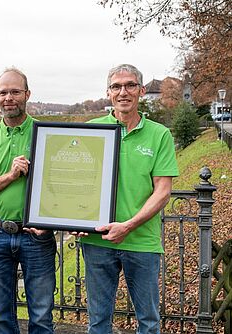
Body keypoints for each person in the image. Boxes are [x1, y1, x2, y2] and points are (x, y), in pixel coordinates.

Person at [81, 64, 179, 334]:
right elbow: (79, 182)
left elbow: (162, 191)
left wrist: (128, 226)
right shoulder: (92, 130)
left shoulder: (159, 135)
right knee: (98, 322)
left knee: (148, 322)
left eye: (130, 85)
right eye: (116, 86)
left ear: (141, 91)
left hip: (142, 242)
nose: (123, 92)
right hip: (97, 240)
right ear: (108, 92)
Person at [0, 68, 56, 334]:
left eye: (15, 92)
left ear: (27, 94)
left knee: (41, 317)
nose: (8, 98)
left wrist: (50, 223)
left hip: (37, 236)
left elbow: (62, 186)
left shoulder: (47, 134)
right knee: (2, 318)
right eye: (3, 93)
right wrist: (11, 175)